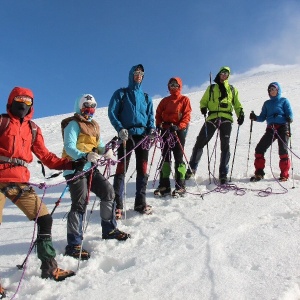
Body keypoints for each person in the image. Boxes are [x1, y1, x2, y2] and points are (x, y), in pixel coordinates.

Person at [0, 86, 81, 281]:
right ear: (11, 101)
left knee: (44, 218)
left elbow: (46, 156)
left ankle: (49, 267)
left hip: (19, 182)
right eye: (19, 99)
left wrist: (70, 163)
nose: (23, 104)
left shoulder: (33, 129)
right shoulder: (2, 122)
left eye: (28, 101)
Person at [62, 94, 131, 260]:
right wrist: (85, 155)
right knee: (80, 202)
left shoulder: (94, 126)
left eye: (92, 106)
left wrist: (105, 151)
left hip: (90, 167)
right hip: (75, 168)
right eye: (86, 106)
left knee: (108, 192)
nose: (89, 110)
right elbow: (69, 147)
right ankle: (74, 244)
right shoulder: (73, 124)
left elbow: (98, 146)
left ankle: (109, 229)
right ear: (80, 106)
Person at [108, 64, 155, 215]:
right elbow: (112, 112)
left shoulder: (146, 97)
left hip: (142, 136)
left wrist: (152, 129)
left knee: (143, 169)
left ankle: (140, 203)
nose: (138, 76)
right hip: (126, 135)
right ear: (131, 75)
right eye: (136, 73)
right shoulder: (121, 94)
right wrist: (120, 128)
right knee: (121, 169)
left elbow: (150, 116)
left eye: (141, 74)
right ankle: (117, 205)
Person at [185, 66, 244, 184]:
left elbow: (237, 104)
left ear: (228, 76)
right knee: (200, 141)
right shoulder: (211, 88)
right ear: (219, 74)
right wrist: (203, 107)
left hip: (226, 118)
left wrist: (240, 113)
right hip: (212, 117)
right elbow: (204, 101)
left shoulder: (232, 89)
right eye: (222, 73)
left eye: (226, 74)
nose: (224, 75)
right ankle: (192, 168)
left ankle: (223, 172)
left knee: (225, 145)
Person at [154, 77, 192, 197]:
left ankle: (180, 185)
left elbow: (186, 115)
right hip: (166, 130)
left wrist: (179, 126)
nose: (173, 86)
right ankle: (164, 185)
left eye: (176, 84)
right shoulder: (164, 101)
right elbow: (158, 114)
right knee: (165, 158)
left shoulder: (184, 100)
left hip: (177, 131)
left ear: (180, 86)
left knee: (178, 158)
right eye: (171, 84)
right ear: (168, 86)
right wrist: (158, 125)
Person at [249, 82, 293, 182]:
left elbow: (290, 113)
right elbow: (262, 117)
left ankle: (284, 175)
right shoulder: (267, 103)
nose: (272, 91)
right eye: (270, 90)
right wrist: (255, 117)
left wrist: (289, 118)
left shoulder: (284, 101)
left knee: (283, 150)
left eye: (274, 89)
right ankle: (259, 173)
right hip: (271, 129)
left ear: (278, 90)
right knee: (259, 149)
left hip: (282, 127)